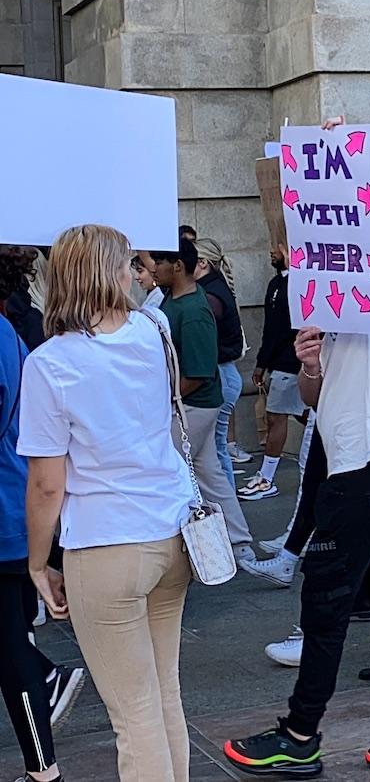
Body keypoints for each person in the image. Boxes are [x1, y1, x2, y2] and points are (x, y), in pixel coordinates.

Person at [224, 222, 370, 777]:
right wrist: (309, 361)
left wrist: (338, 150)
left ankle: (299, 735)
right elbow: (317, 392)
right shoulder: (341, 308)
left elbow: (359, 222)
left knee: (325, 603)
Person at [21, 225, 196, 782]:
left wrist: (36, 563)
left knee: (134, 713)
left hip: (105, 542)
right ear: (113, 273)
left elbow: (48, 483)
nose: (133, 271)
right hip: (171, 529)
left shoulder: (50, 364)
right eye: (125, 262)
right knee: (163, 694)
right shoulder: (154, 330)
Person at [0, 245, 83, 782]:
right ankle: (42, 768)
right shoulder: (7, 331)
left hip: (6, 516)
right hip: (10, 512)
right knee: (10, 643)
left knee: (10, 646)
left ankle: (43, 767)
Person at [150, 239, 254, 562]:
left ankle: (180, 552)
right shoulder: (177, 299)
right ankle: (239, 541)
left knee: (171, 474)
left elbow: (198, 372)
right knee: (209, 473)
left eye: (160, 262)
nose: (154, 268)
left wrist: (167, 398)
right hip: (194, 404)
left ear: (177, 266)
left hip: (193, 405)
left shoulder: (193, 311)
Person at [246, 245, 307, 500]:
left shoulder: (300, 283)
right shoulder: (275, 284)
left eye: (278, 247)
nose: (272, 251)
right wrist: (262, 362)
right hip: (279, 363)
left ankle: (267, 478)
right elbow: (270, 329)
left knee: (276, 417)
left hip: (292, 362)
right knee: (303, 416)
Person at [192, 238, 247, 500]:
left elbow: (211, 342)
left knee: (215, 448)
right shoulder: (214, 288)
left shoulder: (210, 294)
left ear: (201, 263)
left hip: (222, 374)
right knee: (216, 447)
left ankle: (227, 505)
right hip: (225, 373)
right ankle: (227, 503)